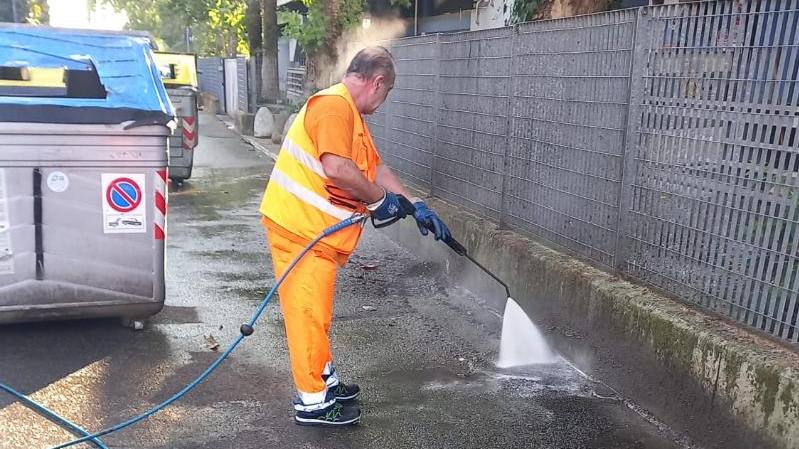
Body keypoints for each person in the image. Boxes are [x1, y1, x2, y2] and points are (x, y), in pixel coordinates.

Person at [258, 46, 451, 427]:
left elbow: (373, 167)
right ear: (377, 82)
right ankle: (313, 403)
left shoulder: (349, 113)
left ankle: (324, 380)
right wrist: (379, 200)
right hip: (300, 230)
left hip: (313, 233)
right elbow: (337, 168)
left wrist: (413, 202)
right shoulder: (333, 107)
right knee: (307, 314)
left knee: (317, 313)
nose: (383, 101)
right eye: (387, 92)